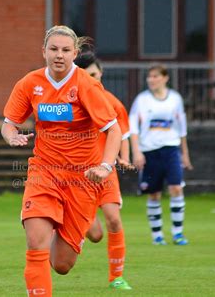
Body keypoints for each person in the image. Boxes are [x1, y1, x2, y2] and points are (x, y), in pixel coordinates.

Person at [1, 25, 122, 296]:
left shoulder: (87, 85)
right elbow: (8, 124)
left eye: (66, 50)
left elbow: (113, 129)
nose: (59, 55)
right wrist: (11, 136)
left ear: (75, 53)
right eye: (54, 49)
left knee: (62, 264)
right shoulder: (30, 83)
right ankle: (46, 223)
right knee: (35, 243)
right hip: (44, 171)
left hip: (82, 178)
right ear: (44, 51)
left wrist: (105, 166)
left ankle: (62, 224)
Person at [74, 50, 133, 290]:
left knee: (114, 220)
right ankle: (74, 214)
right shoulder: (73, 102)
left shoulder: (113, 103)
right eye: (87, 76)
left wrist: (125, 157)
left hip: (105, 171)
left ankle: (116, 277)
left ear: (101, 74)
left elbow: (123, 134)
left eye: (95, 75)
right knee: (96, 235)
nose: (93, 80)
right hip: (79, 174)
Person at [129, 64, 193, 246]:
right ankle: (157, 235)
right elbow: (133, 127)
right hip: (149, 152)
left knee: (176, 189)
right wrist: (137, 152)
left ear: (165, 78)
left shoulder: (175, 99)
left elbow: (182, 129)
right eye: (149, 76)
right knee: (154, 194)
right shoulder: (141, 100)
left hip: (171, 150)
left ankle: (178, 233)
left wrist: (185, 154)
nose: (151, 80)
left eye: (156, 76)